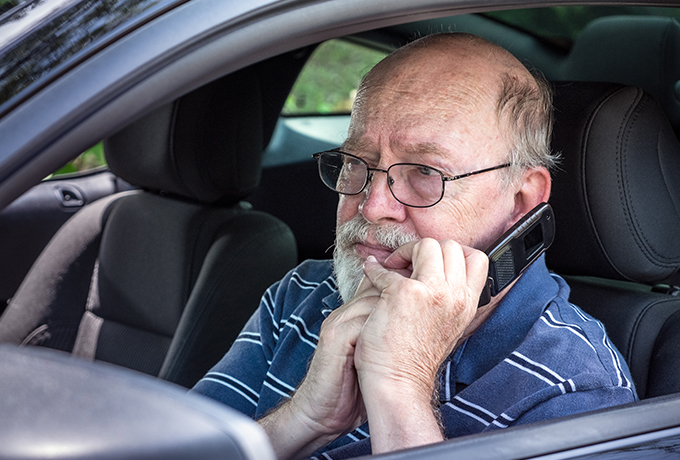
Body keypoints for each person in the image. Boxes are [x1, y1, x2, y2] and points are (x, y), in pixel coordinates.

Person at [192, 33, 637, 459]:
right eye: (357, 162)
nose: (372, 206)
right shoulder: (304, 293)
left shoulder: (578, 391)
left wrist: (400, 387)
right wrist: (306, 418)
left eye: (425, 172)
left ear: (521, 201)